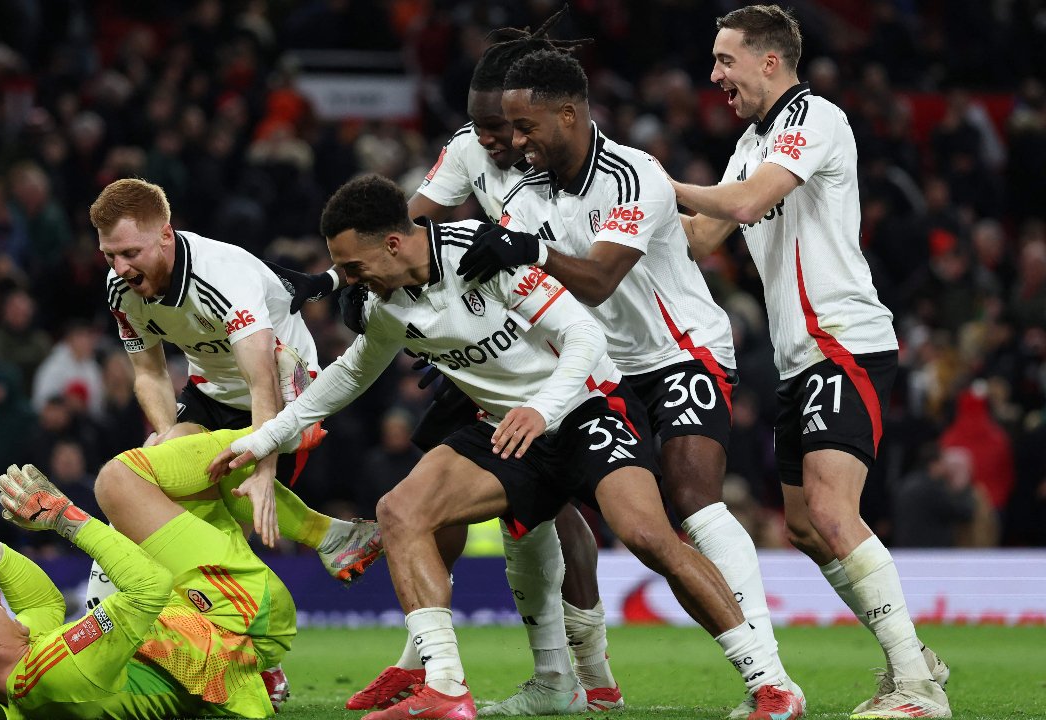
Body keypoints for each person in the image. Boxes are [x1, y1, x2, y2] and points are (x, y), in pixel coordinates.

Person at [213, 175, 804, 720]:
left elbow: (583, 335)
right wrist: (262, 438)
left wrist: (541, 409)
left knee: (651, 537)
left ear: (394, 243)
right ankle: (444, 686)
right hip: (503, 430)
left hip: (581, 409)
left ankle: (770, 682)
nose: (348, 278)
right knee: (401, 511)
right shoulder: (384, 303)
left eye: (353, 264)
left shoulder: (480, 254)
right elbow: (349, 375)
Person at [275, 12, 622, 713]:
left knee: (559, 511)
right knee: (432, 492)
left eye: (506, 129)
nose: (497, 142)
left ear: (532, 118)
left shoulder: (566, 161)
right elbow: (398, 223)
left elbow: (584, 266)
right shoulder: (468, 150)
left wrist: (513, 257)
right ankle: (425, 663)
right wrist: (345, 279)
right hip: (477, 340)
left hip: (555, 335)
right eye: (487, 128)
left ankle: (587, 670)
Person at [451, 41, 790, 719]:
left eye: (527, 127)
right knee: (538, 507)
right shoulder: (525, 194)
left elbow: (602, 278)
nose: (516, 142)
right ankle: (577, 680)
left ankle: (770, 675)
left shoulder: (635, 175)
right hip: (596, 369)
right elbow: (514, 283)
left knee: (692, 503)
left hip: (680, 353)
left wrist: (530, 249)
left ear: (569, 115)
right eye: (510, 129)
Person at [667, 5, 950, 717]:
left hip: (842, 340)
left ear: (770, 60)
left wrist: (658, 178)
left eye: (724, 60)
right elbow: (704, 236)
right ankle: (912, 659)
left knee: (829, 509)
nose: (714, 76)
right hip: (799, 360)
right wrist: (623, 199)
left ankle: (916, 684)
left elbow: (750, 199)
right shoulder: (750, 141)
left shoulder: (813, 118)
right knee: (800, 525)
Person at [85, 178, 382, 609]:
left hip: (281, 391)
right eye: (110, 255)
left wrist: (264, 469)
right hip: (211, 388)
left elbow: (261, 378)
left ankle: (317, 513)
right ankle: (333, 536)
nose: (121, 267)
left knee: (217, 529)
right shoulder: (121, 289)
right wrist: (170, 443)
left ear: (166, 236)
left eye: (131, 253)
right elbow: (149, 373)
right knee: (176, 484)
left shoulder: (221, 277)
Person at [0, 424, 299, 718]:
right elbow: (149, 587)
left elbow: (44, 603)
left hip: (198, 628)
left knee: (176, 440)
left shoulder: (4, 689)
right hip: (240, 624)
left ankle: (282, 430)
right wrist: (64, 516)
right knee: (120, 479)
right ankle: (294, 431)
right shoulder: (55, 671)